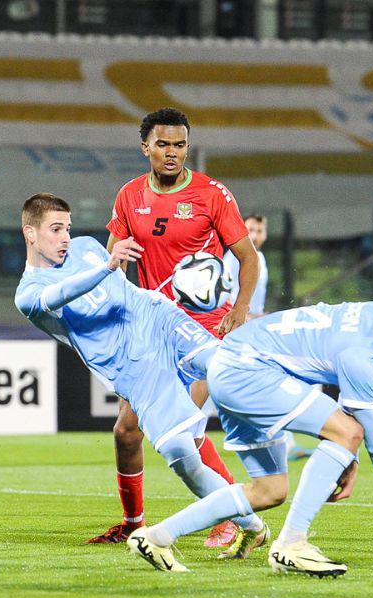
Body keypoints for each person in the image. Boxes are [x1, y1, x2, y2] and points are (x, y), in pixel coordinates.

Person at [127, 282, 373, 574]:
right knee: (350, 432)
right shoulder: (361, 353)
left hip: (229, 364)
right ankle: (292, 543)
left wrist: (348, 456)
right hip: (249, 371)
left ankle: (156, 536)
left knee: (270, 491)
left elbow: (345, 410)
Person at [15, 193, 267, 557]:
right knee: (185, 459)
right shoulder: (29, 294)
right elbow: (62, 293)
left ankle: (322, 427)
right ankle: (253, 526)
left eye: (67, 228)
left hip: (160, 320)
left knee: (226, 366)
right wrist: (108, 266)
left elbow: (121, 285)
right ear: (30, 233)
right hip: (137, 371)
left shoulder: (84, 246)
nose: (66, 237)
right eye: (55, 230)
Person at [96, 107, 262, 547]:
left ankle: (230, 513)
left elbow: (248, 256)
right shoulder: (130, 196)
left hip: (202, 328)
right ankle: (132, 522)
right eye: (164, 144)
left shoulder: (211, 194)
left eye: (180, 145)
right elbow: (111, 262)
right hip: (152, 328)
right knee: (127, 430)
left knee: (186, 427)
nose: (173, 154)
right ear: (145, 147)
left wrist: (240, 309)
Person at [222, 214, 311, 461]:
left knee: (266, 380)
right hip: (236, 330)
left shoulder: (258, 258)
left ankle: (283, 440)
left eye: (260, 230)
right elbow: (226, 297)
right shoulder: (234, 258)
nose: (255, 235)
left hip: (251, 328)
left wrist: (262, 318)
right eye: (250, 229)